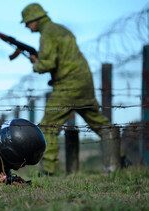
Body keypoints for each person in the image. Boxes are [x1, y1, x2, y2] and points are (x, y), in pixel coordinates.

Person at [20, 3, 111, 175]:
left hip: (68, 85)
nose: (26, 26)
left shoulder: (47, 34)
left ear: (35, 19)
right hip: (85, 81)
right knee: (98, 122)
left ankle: (47, 170)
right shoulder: (62, 30)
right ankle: (119, 158)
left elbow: (48, 63)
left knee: (47, 126)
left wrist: (36, 64)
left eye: (27, 22)